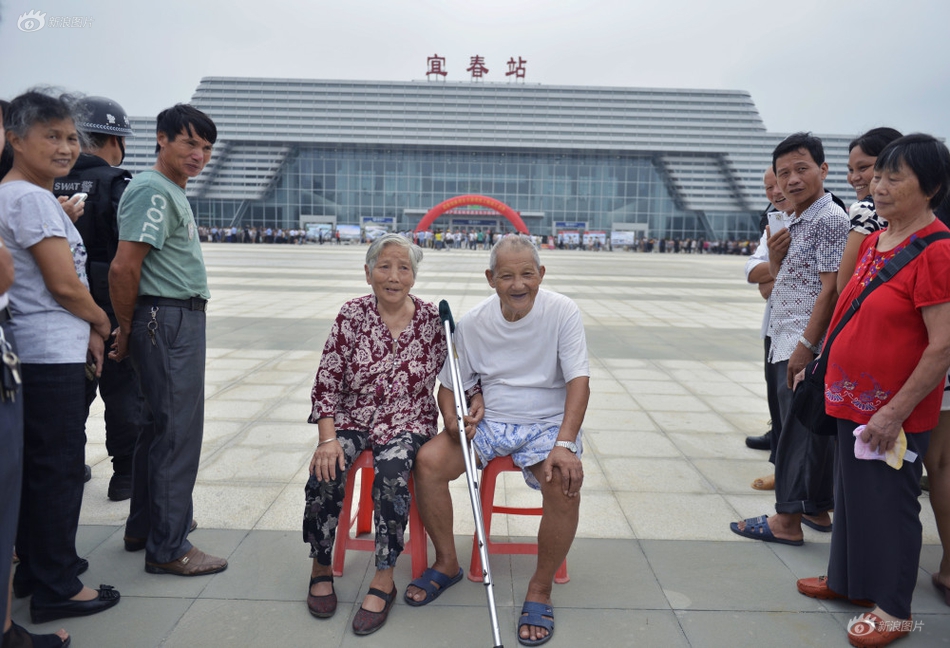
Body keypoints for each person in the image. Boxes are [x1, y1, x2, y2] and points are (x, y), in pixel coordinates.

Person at [795, 134, 950, 647]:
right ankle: (849, 582)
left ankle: (893, 607)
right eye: (876, 176)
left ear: (930, 188)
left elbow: (942, 347)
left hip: (892, 411)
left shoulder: (938, 250)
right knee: (853, 495)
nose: (878, 187)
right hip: (849, 396)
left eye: (893, 177)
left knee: (891, 503)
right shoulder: (881, 235)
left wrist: (894, 412)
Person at [407, 234, 590, 646]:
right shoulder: (472, 322)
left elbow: (580, 383)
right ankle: (447, 562)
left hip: (547, 423)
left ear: (541, 274)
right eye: (506, 275)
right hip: (491, 422)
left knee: (564, 484)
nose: (518, 284)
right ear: (491, 278)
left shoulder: (562, 312)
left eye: (527, 273)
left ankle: (540, 588)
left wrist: (565, 443)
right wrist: (454, 420)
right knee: (428, 463)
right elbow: (450, 385)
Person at [0, 89, 120, 624]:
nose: (66, 147)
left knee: (41, 467)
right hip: (49, 355)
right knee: (59, 469)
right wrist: (102, 321)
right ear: (16, 138)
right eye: (51, 135)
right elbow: (64, 286)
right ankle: (56, 585)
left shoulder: (17, 195)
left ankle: (36, 568)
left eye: (72, 137)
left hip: (35, 351)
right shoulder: (27, 198)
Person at [304, 234, 446, 636]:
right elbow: (326, 381)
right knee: (325, 470)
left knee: (392, 473)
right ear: (368, 273)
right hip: (353, 417)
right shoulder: (351, 315)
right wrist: (327, 439)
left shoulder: (433, 321)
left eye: (404, 268)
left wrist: (474, 402)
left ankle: (385, 575)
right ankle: (320, 563)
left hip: (408, 421)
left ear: (414, 276)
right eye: (384, 266)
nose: (393, 276)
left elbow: (459, 376)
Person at [108, 104, 226, 576]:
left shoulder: (168, 190)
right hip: (168, 318)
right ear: (162, 139)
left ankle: (146, 527)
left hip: (168, 317)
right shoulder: (154, 190)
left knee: (158, 429)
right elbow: (124, 266)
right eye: (189, 143)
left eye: (206, 148)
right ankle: (170, 547)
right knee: (178, 433)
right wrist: (128, 325)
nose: (199, 155)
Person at [731, 132, 849, 545]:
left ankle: (786, 523)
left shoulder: (830, 219)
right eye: (784, 174)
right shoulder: (798, 218)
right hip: (784, 336)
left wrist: (806, 348)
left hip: (801, 341)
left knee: (797, 436)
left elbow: (831, 289)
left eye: (802, 169)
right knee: (799, 431)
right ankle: (813, 509)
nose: (792, 180)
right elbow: (781, 280)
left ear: (823, 169)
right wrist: (776, 262)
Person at [52, 96, 145, 502]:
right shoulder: (117, 184)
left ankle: (67, 466)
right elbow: (132, 255)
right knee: (124, 391)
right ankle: (125, 474)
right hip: (109, 304)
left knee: (70, 394)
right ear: (115, 141)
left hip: (57, 306)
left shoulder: (44, 181)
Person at [745, 167, 788, 460]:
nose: (774, 192)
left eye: (779, 184)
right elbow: (753, 273)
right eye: (768, 188)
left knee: (794, 399)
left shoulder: (827, 219)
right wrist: (776, 270)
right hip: (775, 325)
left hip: (802, 329)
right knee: (776, 392)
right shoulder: (774, 220)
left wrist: (773, 273)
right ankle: (779, 447)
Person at [838, 128, 903, 293]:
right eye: (851, 170)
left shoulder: (865, 210)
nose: (854, 178)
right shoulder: (917, 209)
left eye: (863, 168)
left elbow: (844, 286)